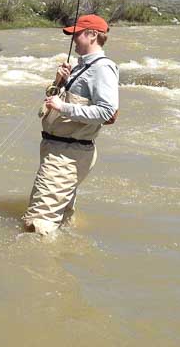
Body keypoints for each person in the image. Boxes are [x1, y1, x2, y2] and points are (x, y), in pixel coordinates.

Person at [23, 14, 119, 235]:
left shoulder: (102, 69)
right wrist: (59, 82)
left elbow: (107, 112)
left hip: (67, 154)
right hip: (59, 150)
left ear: (93, 35)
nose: (73, 39)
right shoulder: (81, 67)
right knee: (62, 219)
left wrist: (63, 107)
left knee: (37, 225)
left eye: (77, 34)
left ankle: (37, 265)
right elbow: (50, 103)